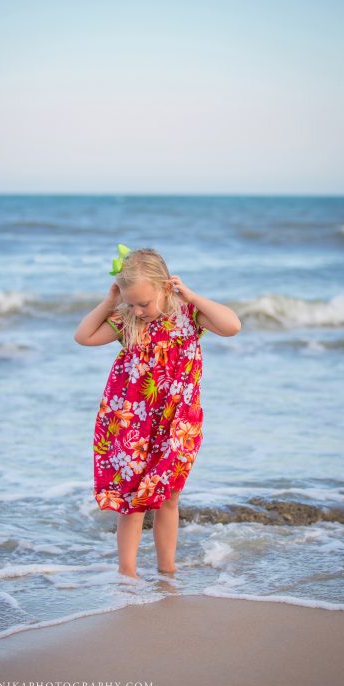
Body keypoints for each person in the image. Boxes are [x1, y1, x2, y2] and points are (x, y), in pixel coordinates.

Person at [74, 246, 241, 580]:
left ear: (166, 287)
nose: (138, 309)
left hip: (177, 422)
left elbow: (232, 325)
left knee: (169, 497)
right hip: (132, 422)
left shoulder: (190, 315)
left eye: (143, 303)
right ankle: (128, 573)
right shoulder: (128, 321)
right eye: (130, 302)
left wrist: (191, 295)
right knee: (133, 500)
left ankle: (167, 569)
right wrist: (110, 303)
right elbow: (84, 337)